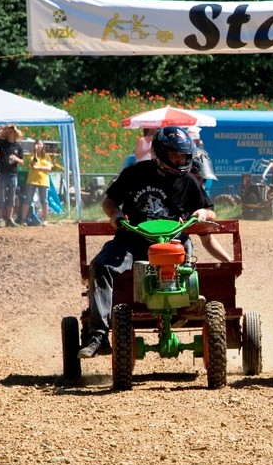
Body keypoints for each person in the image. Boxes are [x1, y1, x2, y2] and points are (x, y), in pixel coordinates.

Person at [79, 127, 215, 359]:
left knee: (185, 259)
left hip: (172, 241)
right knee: (101, 265)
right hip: (132, 239)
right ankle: (98, 335)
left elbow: (210, 211)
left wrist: (202, 212)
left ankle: (185, 305)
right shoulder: (135, 173)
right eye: (175, 155)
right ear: (160, 153)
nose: (181, 160)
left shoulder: (189, 182)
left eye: (184, 155)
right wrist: (115, 215)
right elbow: (109, 202)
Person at [0, 124, 25, 227]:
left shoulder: (18, 146)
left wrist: (16, 159)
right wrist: (2, 130)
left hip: (13, 174)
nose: (10, 132)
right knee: (1, 196)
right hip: (2, 174)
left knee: (12, 197)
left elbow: (22, 161)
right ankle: (1, 218)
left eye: (12, 130)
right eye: (9, 131)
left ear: (15, 133)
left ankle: (9, 218)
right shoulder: (2, 143)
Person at [21, 139, 61, 226]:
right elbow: (33, 164)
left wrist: (39, 168)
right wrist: (35, 152)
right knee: (28, 199)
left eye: (40, 144)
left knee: (44, 200)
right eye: (37, 144)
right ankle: (23, 219)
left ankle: (45, 219)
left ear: (43, 146)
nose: (39, 146)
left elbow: (49, 168)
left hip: (43, 180)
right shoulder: (31, 155)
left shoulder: (46, 156)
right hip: (32, 180)